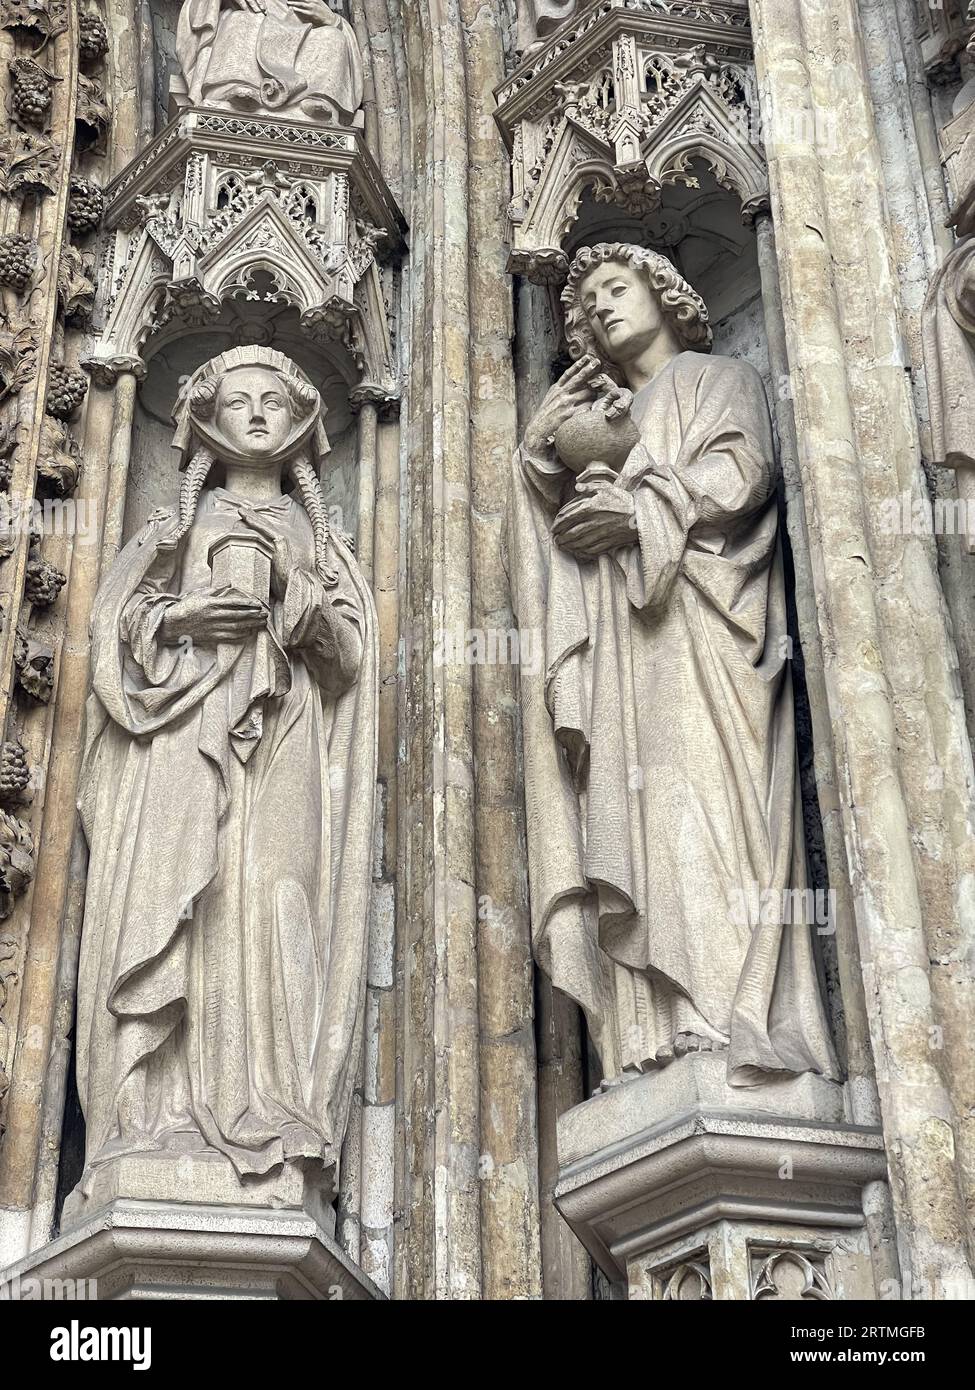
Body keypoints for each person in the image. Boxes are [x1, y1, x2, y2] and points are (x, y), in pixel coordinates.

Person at [506, 243, 838, 1085]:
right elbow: (561, 522)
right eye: (586, 306)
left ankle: (726, 1008)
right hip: (626, 639)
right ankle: (649, 1027)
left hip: (699, 626)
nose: (603, 309)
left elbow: (741, 475)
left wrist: (643, 506)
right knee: (632, 806)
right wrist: (547, 455)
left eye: (617, 288)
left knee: (701, 799)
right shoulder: (608, 409)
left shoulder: (716, 380)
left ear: (665, 292)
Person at [72, 347, 377, 1206]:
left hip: (286, 747)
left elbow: (352, 663)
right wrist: (184, 616)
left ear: (303, 425)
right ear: (203, 419)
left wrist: (297, 596)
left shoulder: (323, 543)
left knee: (275, 902)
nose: (253, 413)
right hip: (178, 747)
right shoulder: (172, 530)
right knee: (177, 906)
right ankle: (154, 1117)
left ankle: (271, 1107)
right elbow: (112, 644)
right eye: (235, 399)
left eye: (273, 401)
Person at [176, 0, 363, 122]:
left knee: (333, 38)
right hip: (253, 24)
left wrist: (333, 20)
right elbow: (196, 11)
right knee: (241, 21)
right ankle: (236, 88)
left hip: (302, 36)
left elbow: (343, 36)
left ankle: (316, 99)